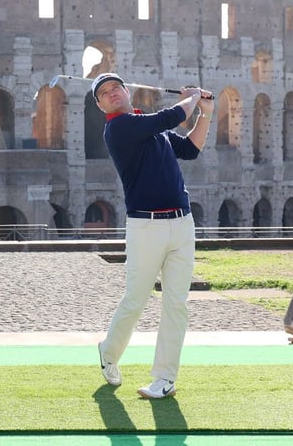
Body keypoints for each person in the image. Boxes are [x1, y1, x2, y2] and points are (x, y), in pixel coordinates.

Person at [92, 72, 213, 399]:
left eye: (116, 87)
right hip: (145, 226)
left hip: (181, 224)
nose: (112, 93)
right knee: (136, 298)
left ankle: (164, 379)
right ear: (102, 106)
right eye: (104, 93)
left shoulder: (150, 129)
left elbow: (190, 149)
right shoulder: (117, 129)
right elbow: (173, 116)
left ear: (126, 91)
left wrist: (206, 113)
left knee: (176, 304)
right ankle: (109, 353)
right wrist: (190, 97)